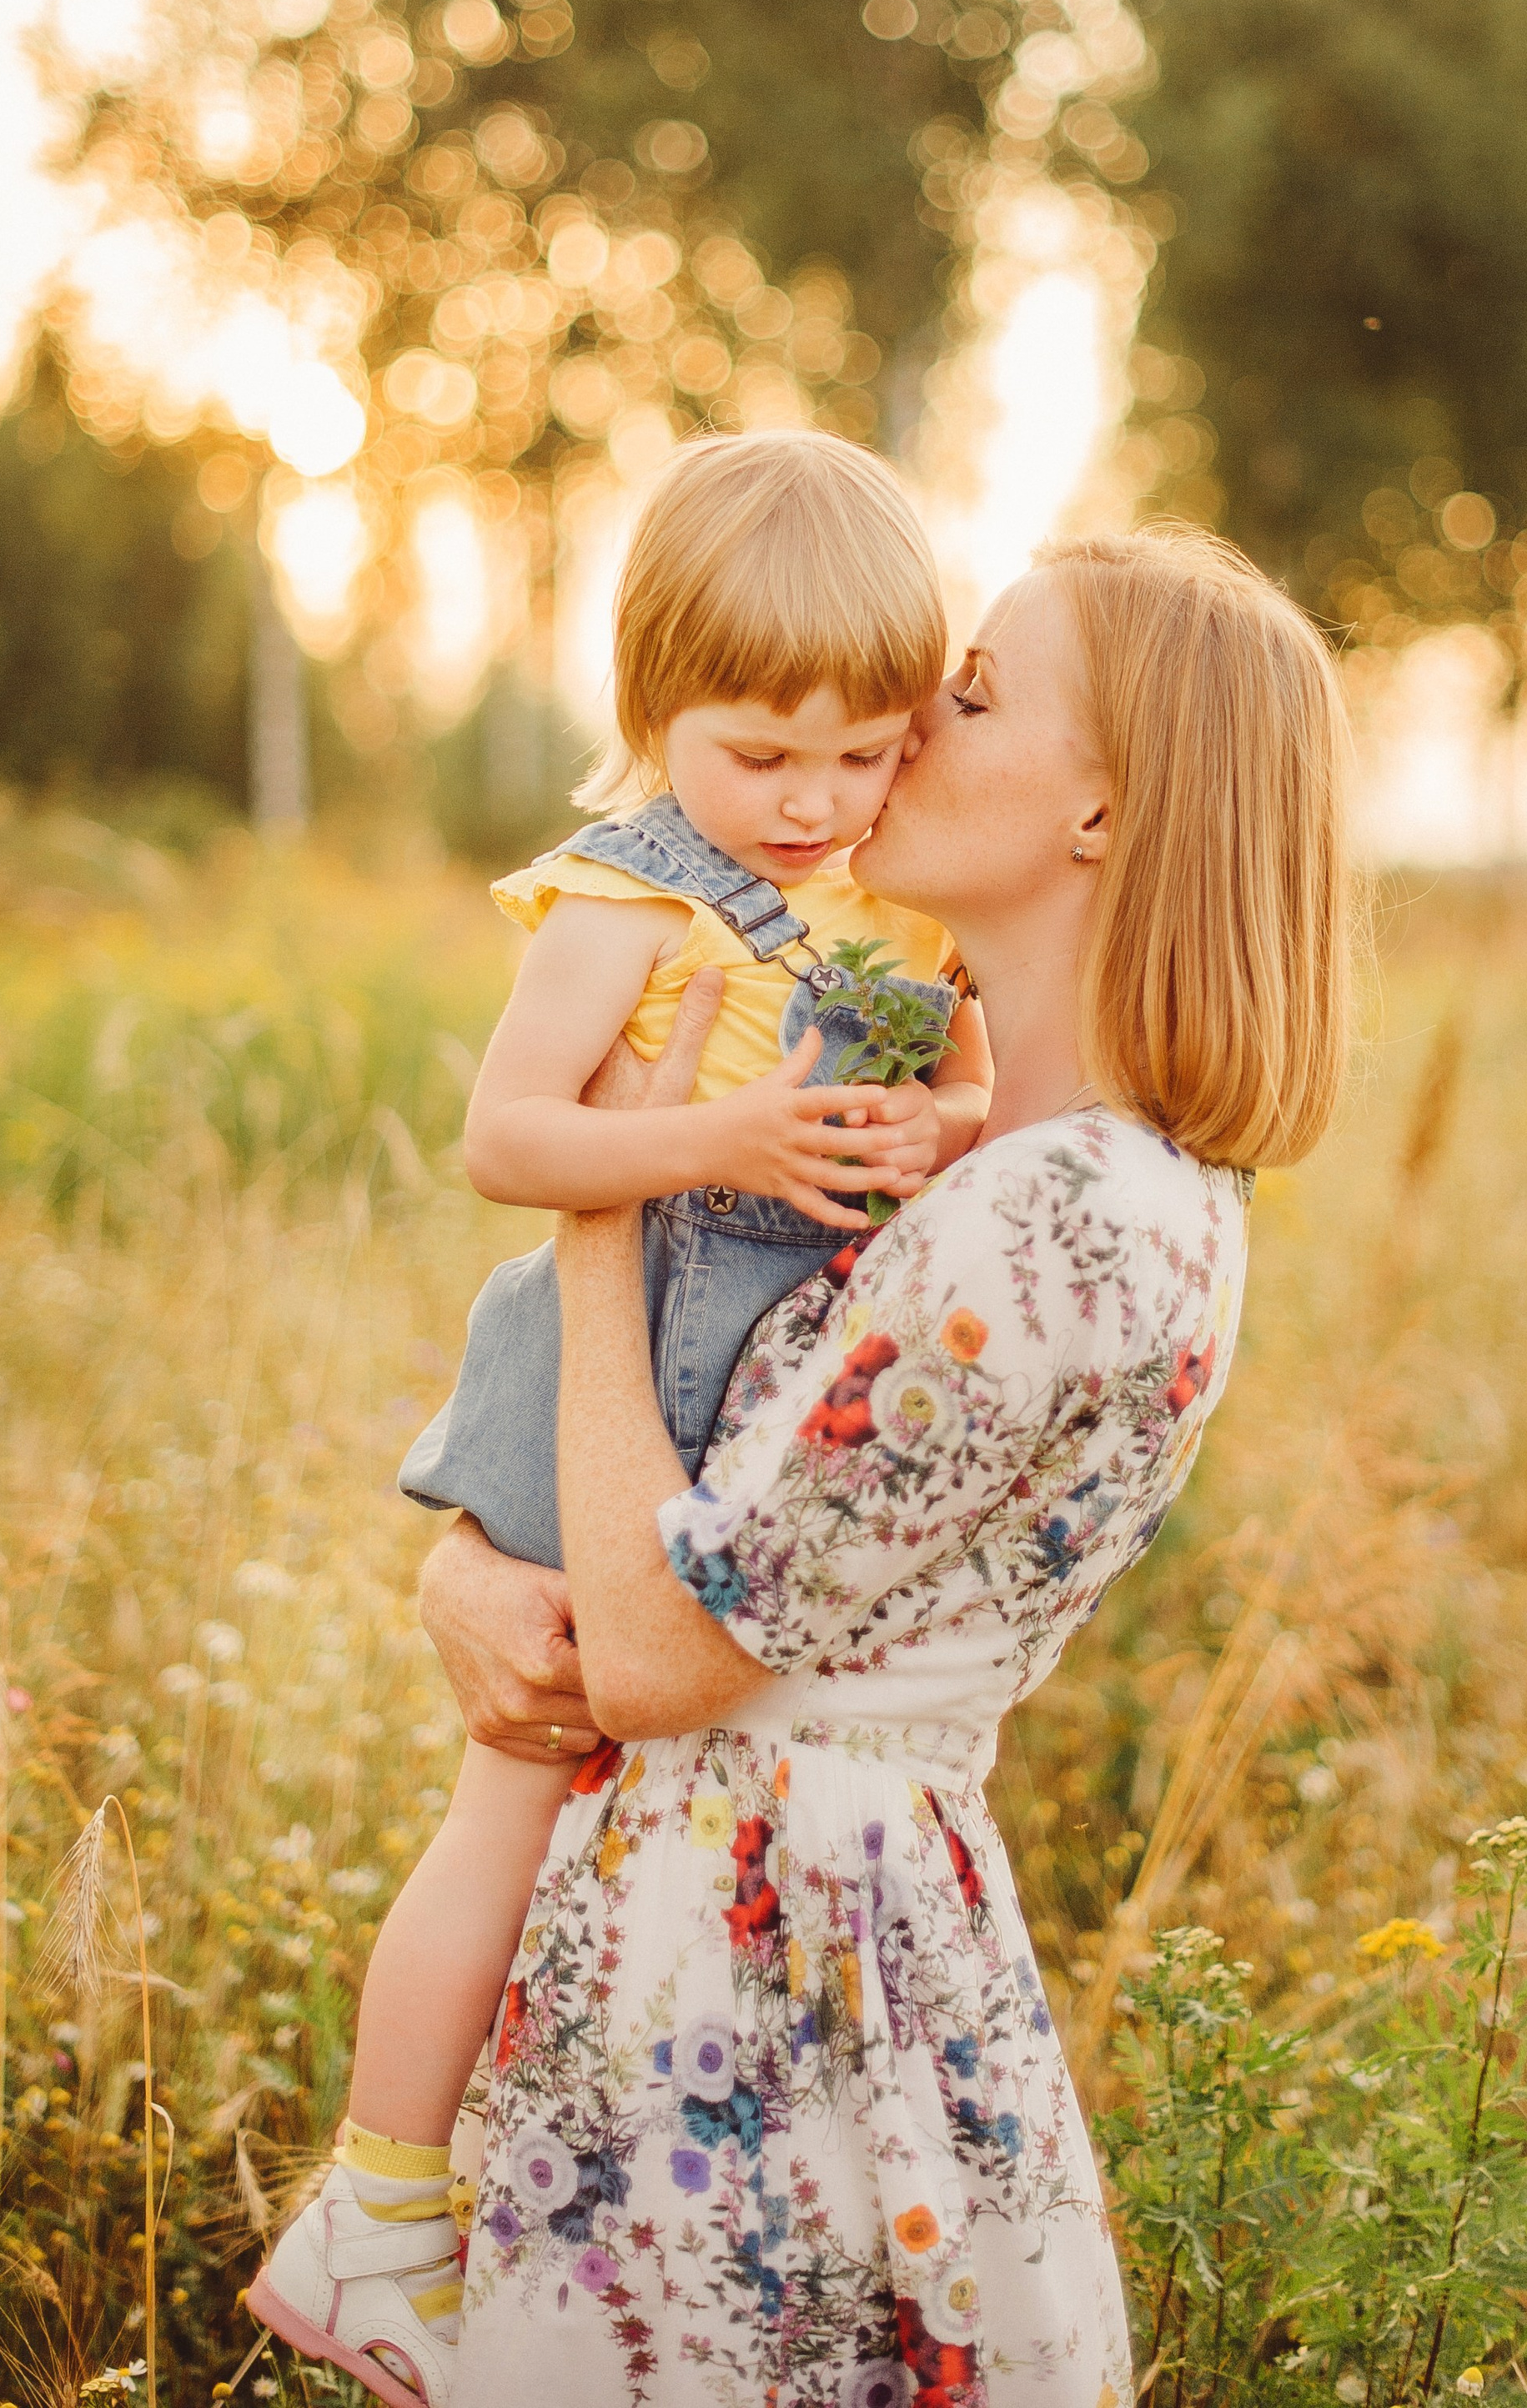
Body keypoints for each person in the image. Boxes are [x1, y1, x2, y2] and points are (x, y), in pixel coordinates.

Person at [421, 525, 1354, 2406]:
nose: (903, 719)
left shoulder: (1057, 1219)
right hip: (740, 1938)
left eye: (978, 690)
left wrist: (623, 1186)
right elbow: (706, 1490)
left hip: (776, 2014)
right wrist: (467, 1554)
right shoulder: (980, 1160)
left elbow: (671, 1649)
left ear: (1102, 816)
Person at [249, 431, 993, 2403]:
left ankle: (562, 2224)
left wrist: (939, 1119)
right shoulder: (625, 895)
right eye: (761, 754)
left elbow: (980, 1093)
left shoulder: (894, 897)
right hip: (602, 1354)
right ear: (652, 709)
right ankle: (374, 2208)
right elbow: (506, 1134)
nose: (817, 802)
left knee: (633, 1814)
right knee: (511, 1784)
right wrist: (713, 1134)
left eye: (864, 752)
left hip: (746, 1383)